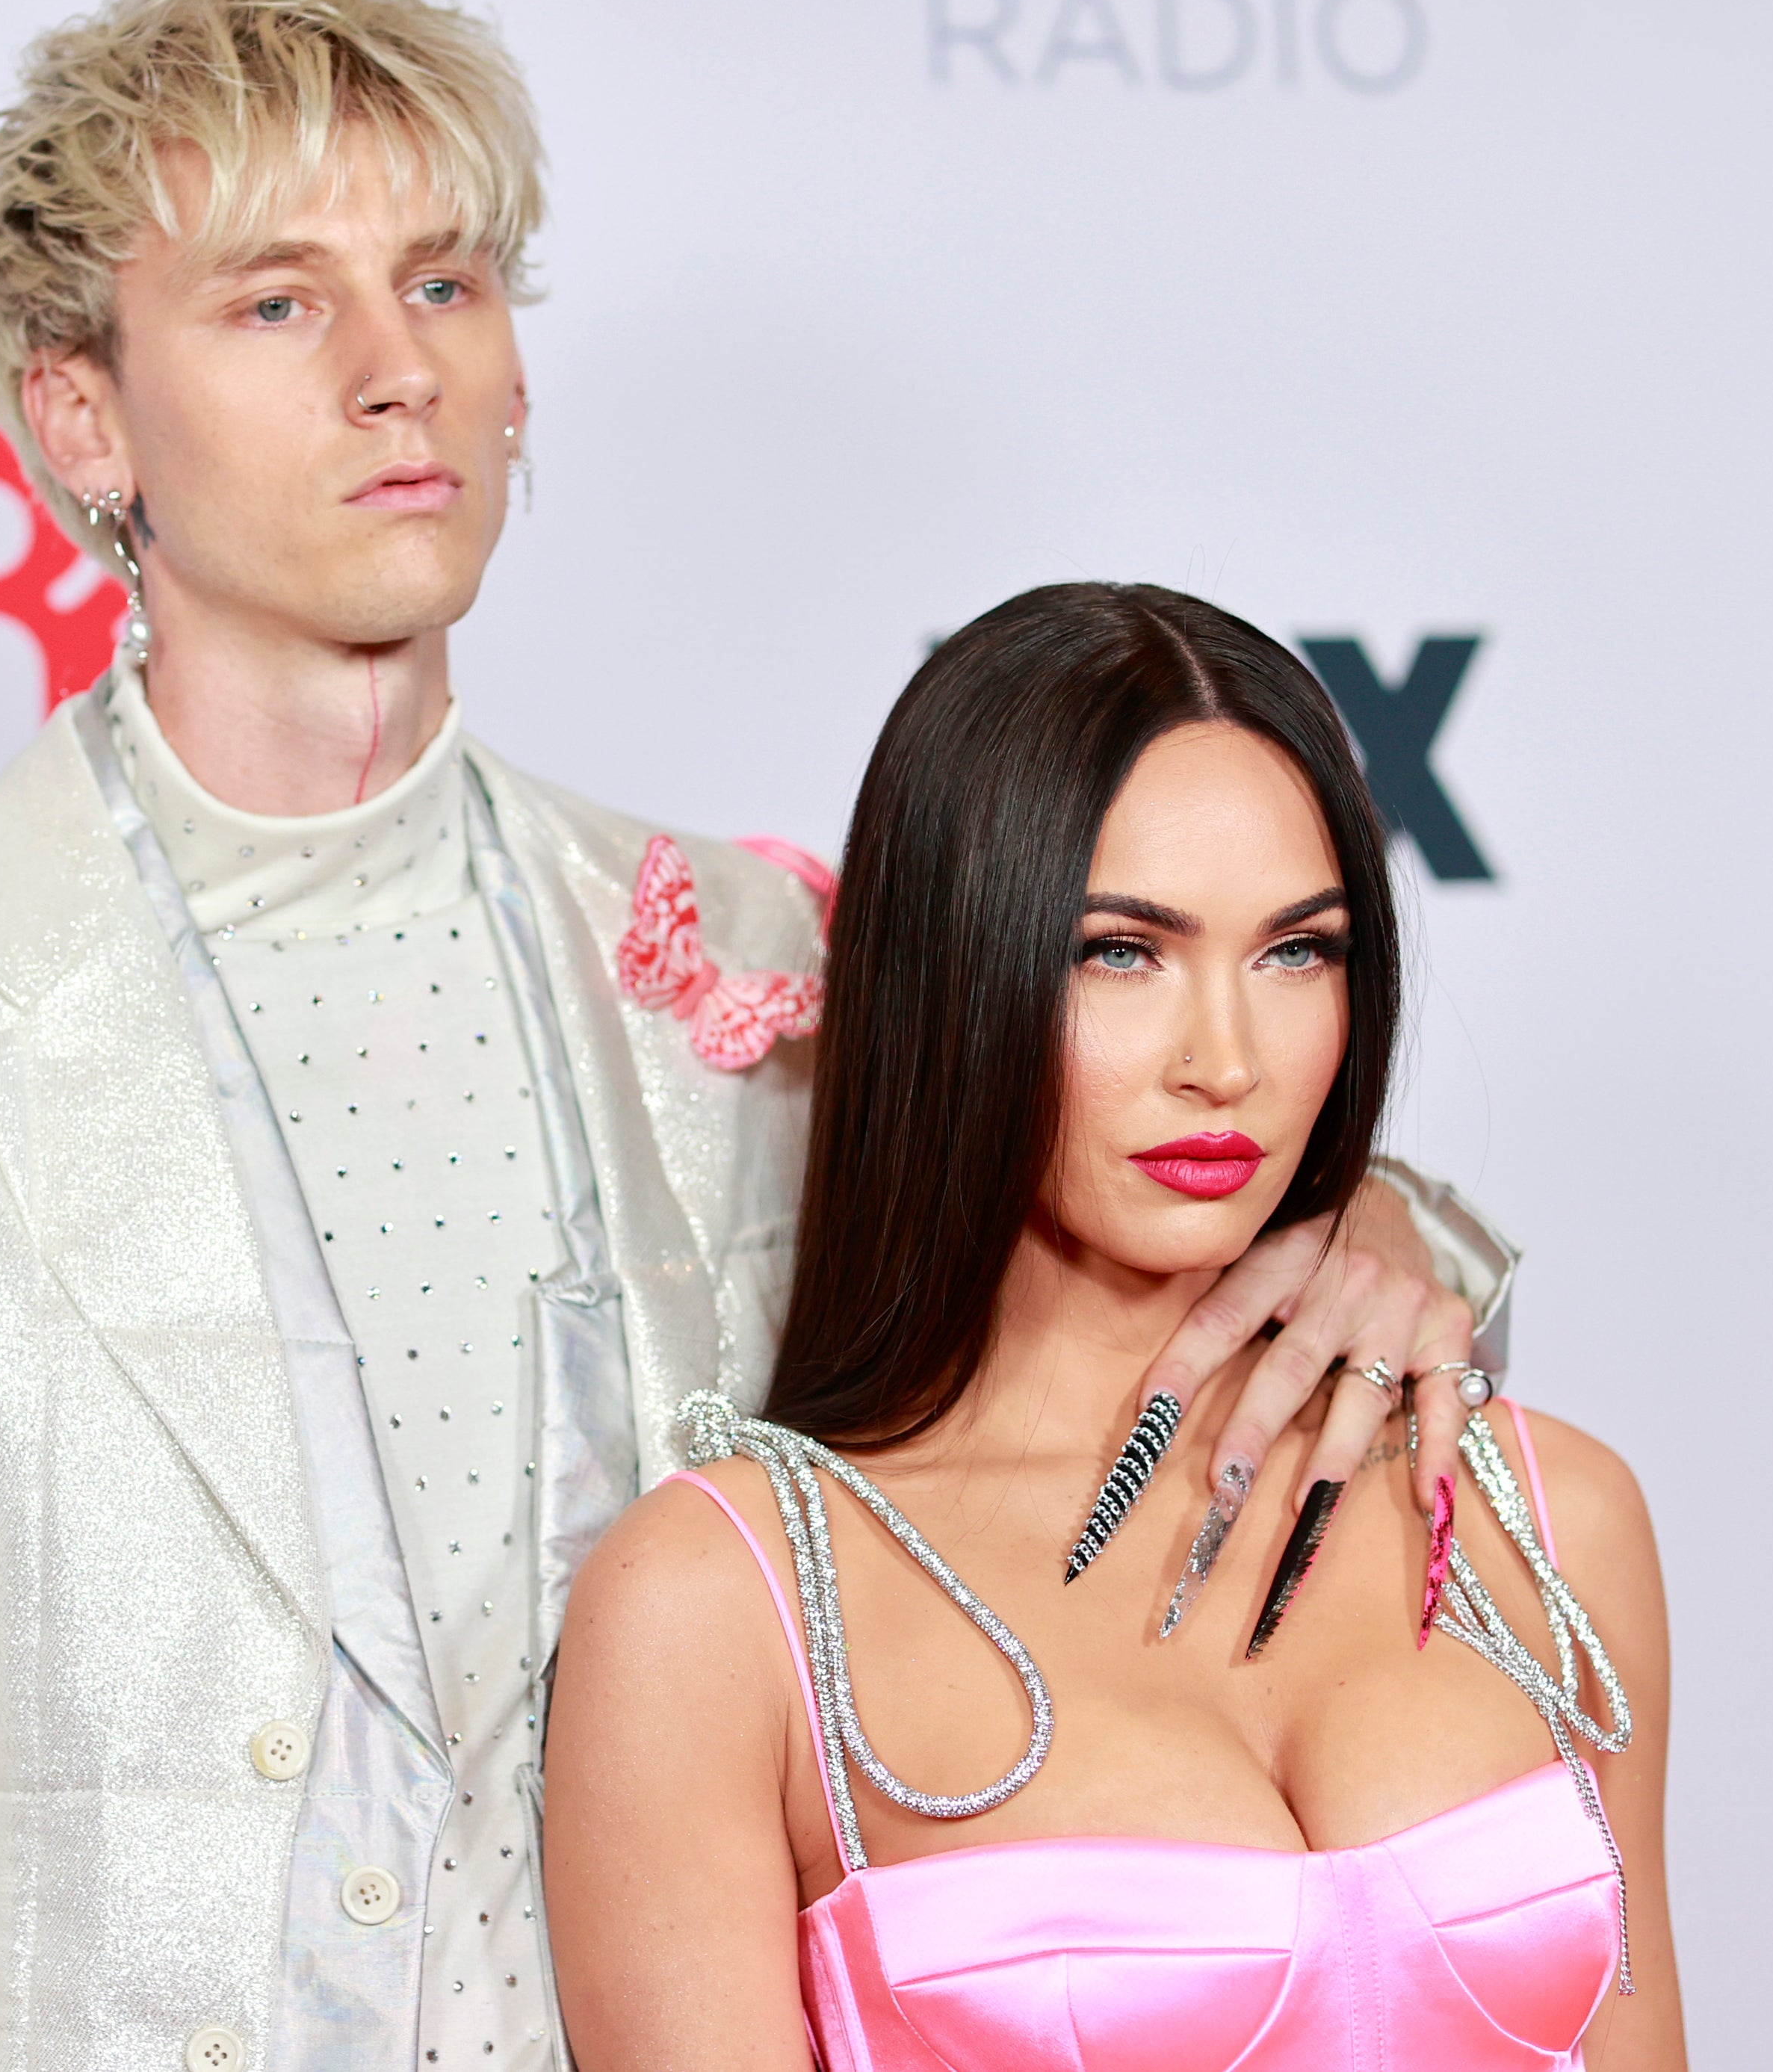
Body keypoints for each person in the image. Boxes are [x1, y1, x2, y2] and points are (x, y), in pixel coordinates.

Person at [0, 0, 1517, 2071]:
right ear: (78, 413)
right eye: (279, 302)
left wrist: (1376, 1230)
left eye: (449, 285)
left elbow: (1138, 1277)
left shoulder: (752, 963)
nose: (397, 374)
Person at [544, 584, 1683, 2071]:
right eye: (1118, 952)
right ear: (954, 973)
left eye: (1296, 952)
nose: (1226, 1060)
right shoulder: (720, 1604)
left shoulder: (1548, 1517)